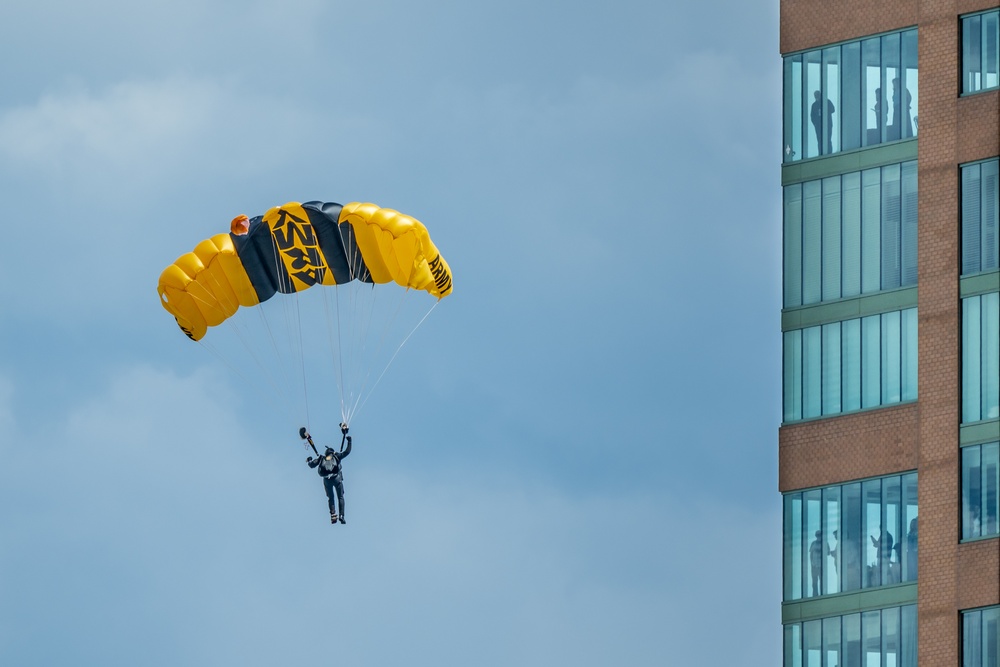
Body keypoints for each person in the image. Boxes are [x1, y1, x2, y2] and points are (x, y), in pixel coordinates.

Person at [305, 423, 353, 524]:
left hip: (327, 480)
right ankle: (341, 515)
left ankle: (332, 514)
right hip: (336, 478)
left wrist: (309, 460)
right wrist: (349, 441)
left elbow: (311, 465)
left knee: (331, 497)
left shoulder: (321, 458)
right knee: (340, 496)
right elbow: (347, 452)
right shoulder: (336, 456)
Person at [810, 90, 835, 155]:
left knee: (828, 139)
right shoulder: (814, 105)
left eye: (818, 95)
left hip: (827, 125)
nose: (817, 97)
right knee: (820, 141)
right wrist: (816, 124)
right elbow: (812, 117)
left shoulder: (826, 101)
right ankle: (821, 155)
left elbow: (833, 109)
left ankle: (829, 154)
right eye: (816, 96)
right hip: (818, 127)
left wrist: (825, 110)